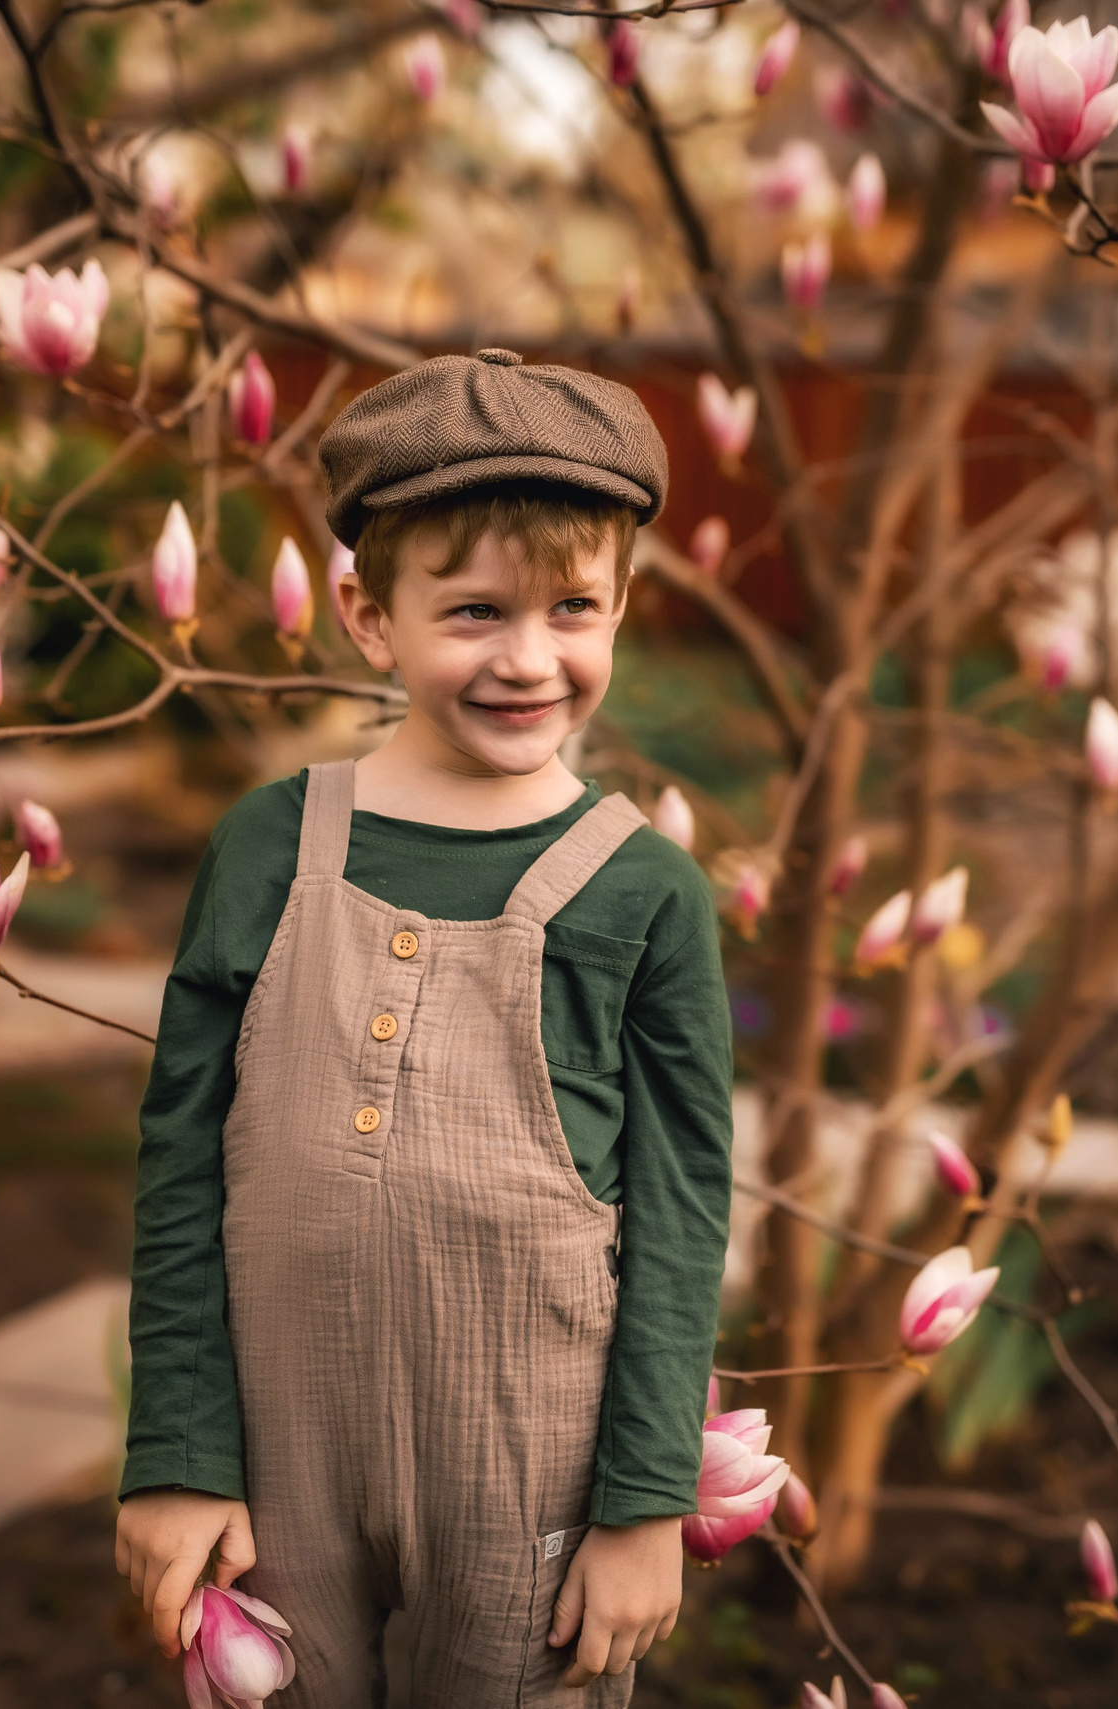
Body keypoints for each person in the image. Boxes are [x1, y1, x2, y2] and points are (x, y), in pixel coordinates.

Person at [115, 348, 736, 1707]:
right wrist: (177, 1454)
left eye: (573, 607)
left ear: (622, 605)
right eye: (473, 610)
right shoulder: (267, 848)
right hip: (278, 1470)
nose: (529, 657)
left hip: (534, 1487)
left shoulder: (645, 894)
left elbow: (684, 1215)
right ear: (366, 613)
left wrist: (644, 1504)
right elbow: (180, 1164)